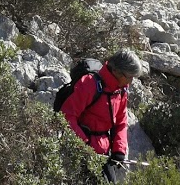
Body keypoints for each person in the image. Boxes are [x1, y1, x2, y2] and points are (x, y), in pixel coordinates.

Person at [60, 49, 144, 183]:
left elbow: (121, 121)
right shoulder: (89, 84)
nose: (130, 82)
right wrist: (84, 144)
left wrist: (119, 149)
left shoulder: (121, 90)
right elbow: (67, 116)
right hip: (82, 151)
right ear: (116, 71)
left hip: (104, 153)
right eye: (129, 77)